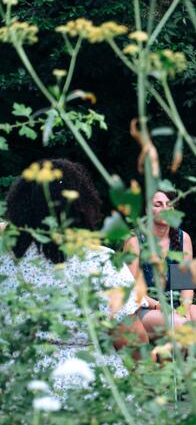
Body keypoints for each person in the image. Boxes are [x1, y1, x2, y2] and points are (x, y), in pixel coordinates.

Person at [0, 159, 147, 389]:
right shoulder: (101, 261)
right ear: (81, 204)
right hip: (92, 393)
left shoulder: (5, 262)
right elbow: (134, 342)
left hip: (21, 392)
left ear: (19, 205)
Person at [124, 190, 196, 336]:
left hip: (177, 305)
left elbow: (186, 284)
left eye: (169, 204)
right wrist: (160, 306)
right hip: (145, 308)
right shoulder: (134, 240)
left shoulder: (182, 238)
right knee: (181, 325)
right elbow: (132, 289)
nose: (165, 209)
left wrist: (185, 309)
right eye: (158, 204)